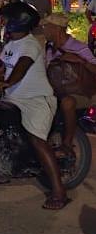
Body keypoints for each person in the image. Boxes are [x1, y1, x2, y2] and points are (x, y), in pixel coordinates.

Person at [0, 2, 68, 210]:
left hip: (36, 100)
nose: (2, 22)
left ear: (18, 21)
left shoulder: (30, 44)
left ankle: (59, 192)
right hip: (13, 97)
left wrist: (7, 82)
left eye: (5, 19)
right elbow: (1, 66)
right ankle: (0, 172)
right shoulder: (11, 43)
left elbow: (22, 67)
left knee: (37, 142)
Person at [43, 13, 96, 162]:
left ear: (57, 29)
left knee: (68, 103)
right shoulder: (49, 49)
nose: (44, 30)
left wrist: (80, 61)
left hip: (80, 91)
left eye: (47, 27)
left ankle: (67, 143)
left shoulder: (78, 47)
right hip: (58, 90)